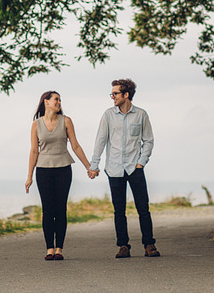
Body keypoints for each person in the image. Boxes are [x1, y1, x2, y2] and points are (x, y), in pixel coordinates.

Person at [88, 79, 161, 258]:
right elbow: (100, 140)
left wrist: (141, 163)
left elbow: (148, 140)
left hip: (134, 168)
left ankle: (149, 244)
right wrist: (94, 165)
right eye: (111, 94)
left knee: (143, 208)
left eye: (115, 93)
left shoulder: (141, 115)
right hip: (114, 168)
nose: (112, 97)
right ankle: (123, 246)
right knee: (119, 210)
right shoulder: (108, 115)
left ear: (126, 95)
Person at [25, 90, 93, 261]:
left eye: (60, 100)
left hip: (63, 168)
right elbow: (34, 150)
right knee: (48, 210)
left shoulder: (66, 121)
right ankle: (49, 248)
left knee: (61, 209)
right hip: (43, 170)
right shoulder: (36, 124)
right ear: (46, 102)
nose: (59, 102)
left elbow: (76, 146)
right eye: (56, 99)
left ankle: (59, 249)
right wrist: (29, 176)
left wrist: (89, 167)